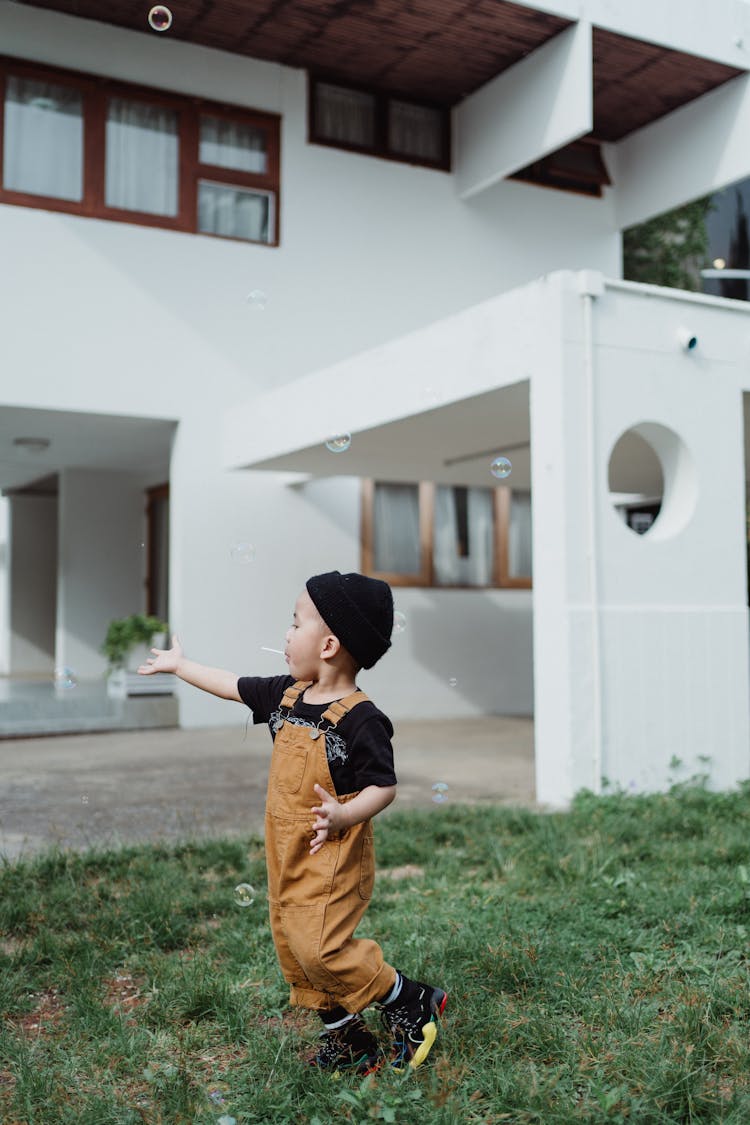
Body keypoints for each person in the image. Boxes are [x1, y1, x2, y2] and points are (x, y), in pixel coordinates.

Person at [138, 570, 447, 1074]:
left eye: (295, 622)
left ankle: (407, 997)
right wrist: (181, 666)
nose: (286, 633)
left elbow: (383, 786)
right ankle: (349, 1042)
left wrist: (345, 812)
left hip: (333, 855)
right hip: (286, 851)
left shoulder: (361, 718)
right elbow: (231, 685)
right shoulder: (286, 695)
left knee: (319, 948)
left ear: (328, 644)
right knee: (293, 948)